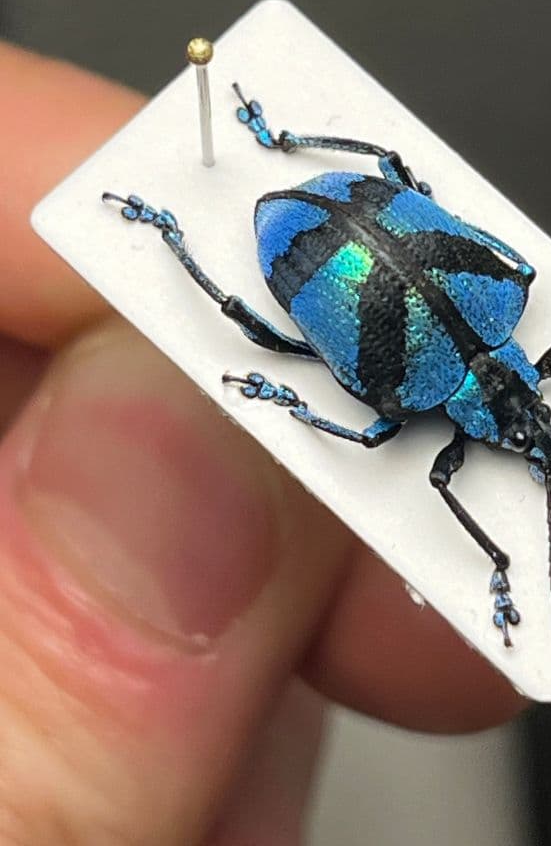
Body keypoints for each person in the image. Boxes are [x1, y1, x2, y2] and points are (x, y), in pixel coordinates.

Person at [0, 42, 524, 843]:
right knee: (269, 336)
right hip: (309, 237)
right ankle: (179, 220)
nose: (529, 435)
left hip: (332, 232)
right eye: (527, 421)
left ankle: (213, 187)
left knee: (384, 184)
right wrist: (293, 406)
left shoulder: (503, 287)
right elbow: (377, 440)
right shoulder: (430, 370)